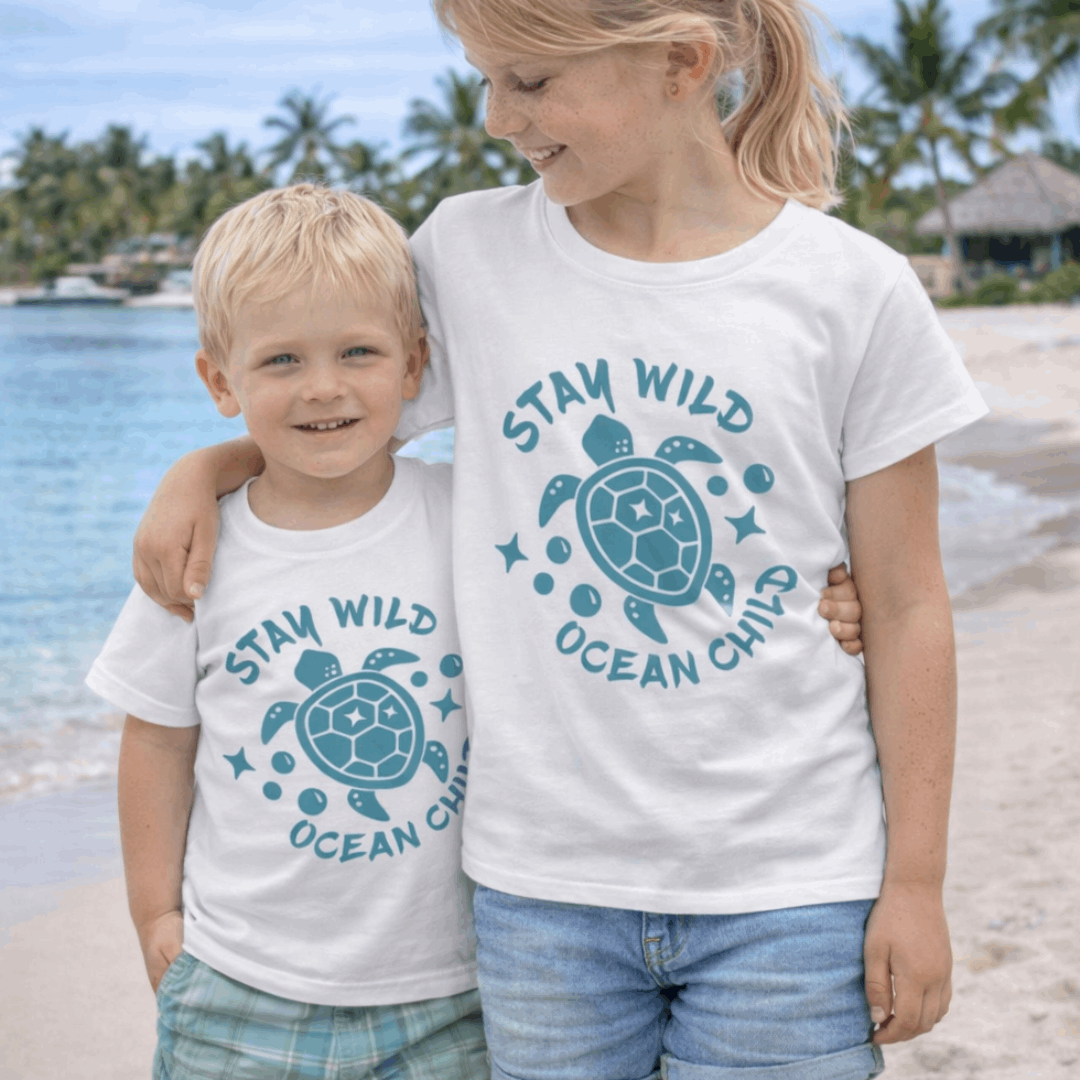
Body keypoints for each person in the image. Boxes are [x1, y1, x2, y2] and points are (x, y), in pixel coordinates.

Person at [131, 0, 986, 1076]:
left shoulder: (853, 289)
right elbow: (334, 413)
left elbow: (909, 604)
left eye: (530, 83)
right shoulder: (468, 253)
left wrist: (915, 882)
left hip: (792, 885)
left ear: (681, 62)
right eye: (485, 80)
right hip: (540, 896)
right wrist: (204, 470)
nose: (498, 117)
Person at [86, 185, 487, 1079]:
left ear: (415, 363)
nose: (323, 387)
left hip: (451, 990)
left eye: (358, 351)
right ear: (221, 381)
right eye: (280, 361)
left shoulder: (467, 517)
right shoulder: (200, 549)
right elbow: (155, 739)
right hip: (241, 981)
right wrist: (155, 915)